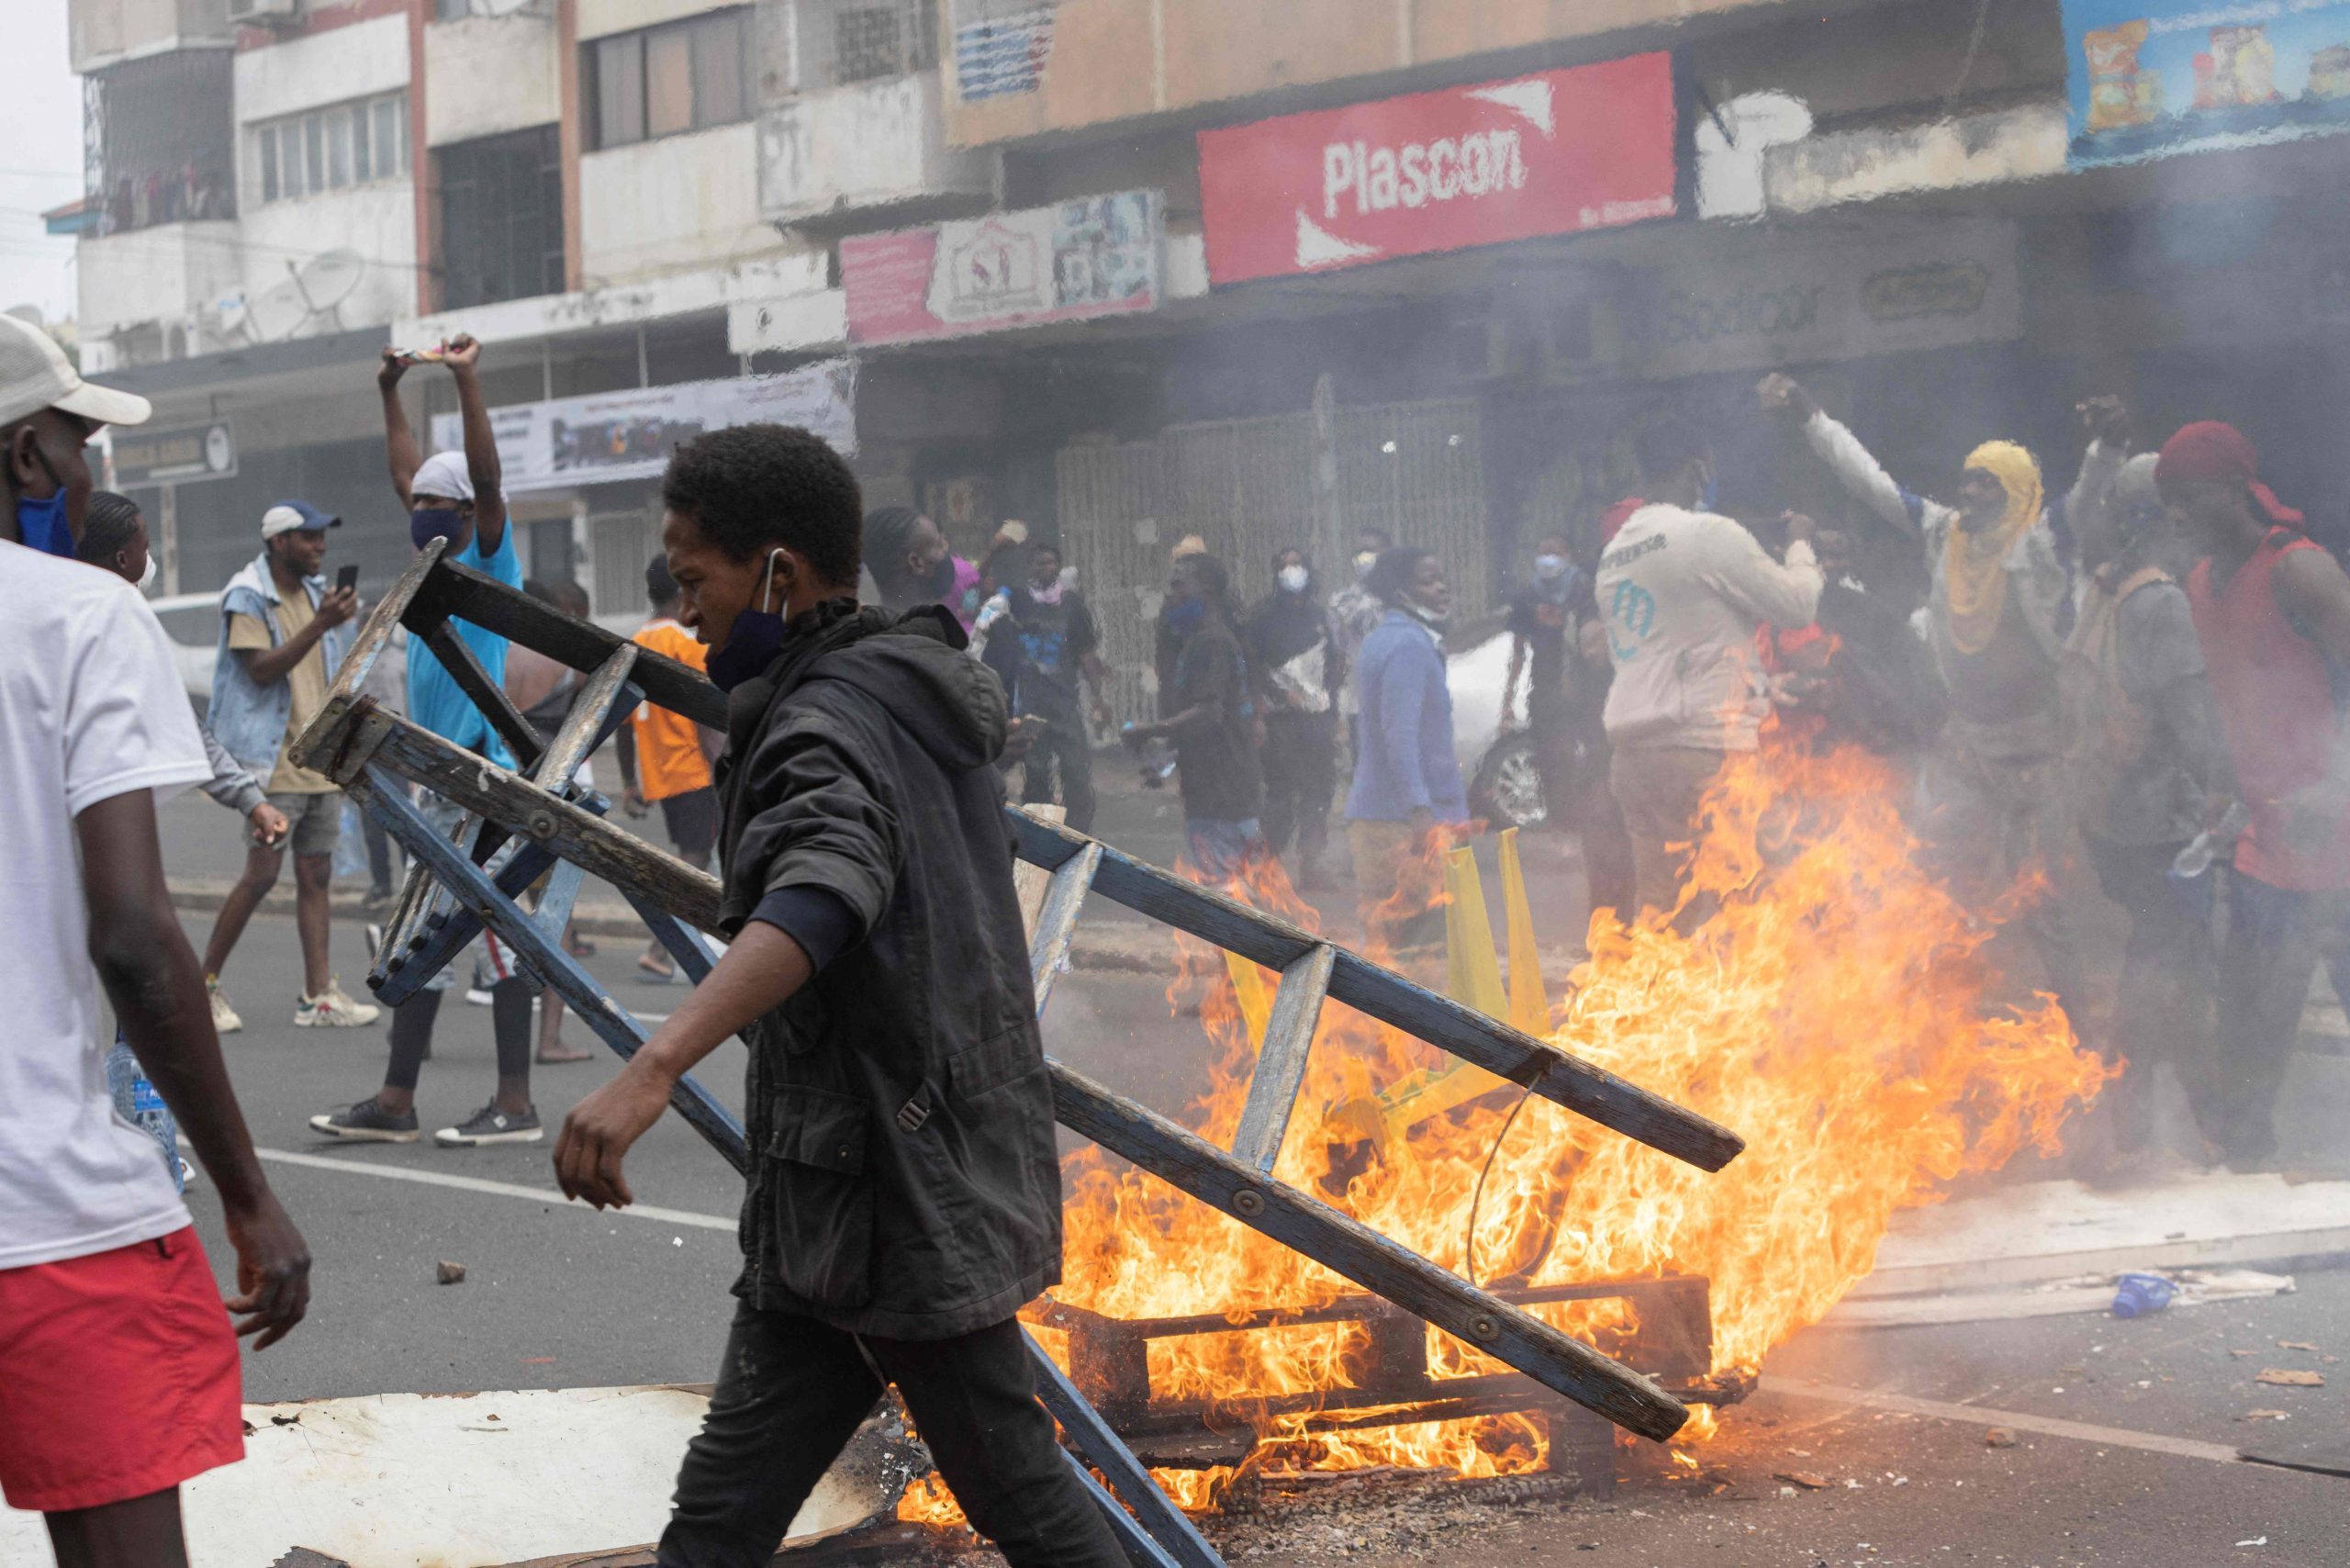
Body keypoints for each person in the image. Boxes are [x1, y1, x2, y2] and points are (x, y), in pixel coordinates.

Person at [550, 422, 1127, 1568]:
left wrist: (654, 1063)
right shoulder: (893, 687)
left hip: (897, 1198)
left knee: (1027, 1503)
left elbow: (822, 891)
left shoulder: (823, 719)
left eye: (691, 574)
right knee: (719, 1519)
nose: (681, 605)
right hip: (851, 1199)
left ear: (779, 569)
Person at [0, 311, 310, 1564]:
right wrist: (249, 1197)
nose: (91, 474)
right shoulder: (75, 616)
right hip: (45, 1223)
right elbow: (135, 939)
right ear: (27, 459)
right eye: (78, 443)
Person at [1762, 372, 2088, 1026]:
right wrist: (1812, 419)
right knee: (1931, 873)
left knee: (2045, 896)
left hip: (2036, 749)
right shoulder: (1944, 534)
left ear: (2017, 493)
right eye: (1965, 480)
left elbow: (2090, 504)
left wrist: (2105, 452)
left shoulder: (2043, 543)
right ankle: (1930, 1012)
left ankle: (2075, 1024)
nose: (1967, 493)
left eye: (1984, 484)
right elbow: (1871, 482)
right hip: (1966, 745)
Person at [312, 333, 543, 1148]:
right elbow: (409, 474)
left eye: (430, 508)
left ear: (462, 516)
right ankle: (397, 1100)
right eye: (415, 508)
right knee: (429, 939)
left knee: (497, 942)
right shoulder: (430, 568)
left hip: (483, 775)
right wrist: (389, 391)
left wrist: (468, 378)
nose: (417, 514)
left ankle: (513, 1104)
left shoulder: (487, 557)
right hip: (442, 781)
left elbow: (482, 477)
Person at [78, 493, 292, 1187]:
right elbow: (185, 727)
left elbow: (181, 730)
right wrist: (251, 797)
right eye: (145, 544)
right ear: (123, 558)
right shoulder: (109, 619)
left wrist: (250, 799)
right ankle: (135, 1148)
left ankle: (131, 1138)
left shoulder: (67, 610)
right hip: (87, 859)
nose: (152, 558)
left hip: (81, 856)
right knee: (133, 989)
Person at [2165, 420, 2350, 1171]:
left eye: (2189, 498)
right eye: (2166, 504)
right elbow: (2229, 701)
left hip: (2342, 838)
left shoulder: (2299, 571)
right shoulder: (2201, 585)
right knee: (2245, 1023)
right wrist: (2218, 784)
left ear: (2236, 491)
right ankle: (2243, 1168)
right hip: (2269, 847)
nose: (2177, 517)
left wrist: (2336, 784)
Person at [2058, 400, 2232, 1172]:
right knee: (2171, 975)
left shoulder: (2100, 589)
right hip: (2162, 826)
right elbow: (2194, 724)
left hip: (2105, 817)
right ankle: (2156, 1131)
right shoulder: (2159, 602)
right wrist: (2230, 791)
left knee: (2152, 969)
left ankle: (2146, 1128)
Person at [1596, 420, 1822, 918]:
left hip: (1634, 758)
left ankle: (1660, 996)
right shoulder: (1707, 535)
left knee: (1661, 909)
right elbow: (1797, 605)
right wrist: (1801, 544)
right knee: (1748, 900)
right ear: (1699, 469)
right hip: (1709, 753)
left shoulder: (1615, 553)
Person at [197, 498, 375, 1033]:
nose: (320, 546)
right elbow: (259, 671)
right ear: (279, 543)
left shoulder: (320, 595)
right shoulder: (248, 595)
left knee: (316, 874)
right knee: (260, 876)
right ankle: (201, 986)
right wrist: (321, 625)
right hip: (269, 763)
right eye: (309, 538)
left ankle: (318, 994)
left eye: (323, 537)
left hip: (316, 759)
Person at [1344, 547, 1468, 950]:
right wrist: (1420, 813)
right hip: (1405, 824)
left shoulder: (1386, 639)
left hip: (1381, 818)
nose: (1441, 587)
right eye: (1427, 580)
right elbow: (1400, 735)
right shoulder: (1408, 647)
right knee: (1421, 951)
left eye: (1440, 577)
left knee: (1386, 949)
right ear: (1401, 593)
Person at [503, 578, 600, 1065]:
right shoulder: (567, 660)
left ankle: (414, 1030)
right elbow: (591, 722)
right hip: (545, 795)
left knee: (473, 908)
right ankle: (549, 1039)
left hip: (493, 790)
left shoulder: (497, 653)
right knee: (553, 913)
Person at [1125, 553, 1266, 883]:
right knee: (1231, 891)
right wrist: (1165, 755)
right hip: (1223, 788)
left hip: (1221, 792)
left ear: (1207, 589)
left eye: (1178, 584)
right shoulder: (1203, 640)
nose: (1171, 594)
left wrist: (1149, 730)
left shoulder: (1210, 643)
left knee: (1224, 898)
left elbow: (1209, 713)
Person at [621, 554, 723, 980]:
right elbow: (705, 715)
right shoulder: (688, 643)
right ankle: (661, 949)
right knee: (694, 862)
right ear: (683, 590)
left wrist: (629, 782)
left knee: (696, 858)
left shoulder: (635, 642)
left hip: (660, 774)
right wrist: (723, 766)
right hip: (695, 768)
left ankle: (694, 945)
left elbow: (622, 725)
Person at [1246, 545, 1343, 888]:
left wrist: (1333, 714)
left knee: (1319, 790)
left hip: (1317, 720)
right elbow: (1251, 668)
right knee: (1280, 792)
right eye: (1285, 566)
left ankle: (1311, 864)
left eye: (1297, 565)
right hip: (1279, 720)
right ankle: (1269, 864)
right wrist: (1266, 706)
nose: (1292, 572)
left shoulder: (1323, 617)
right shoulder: (1261, 617)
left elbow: (1335, 665)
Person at [1008, 541, 1112, 834]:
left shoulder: (1073, 605)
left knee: (1076, 773)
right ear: (1031, 567)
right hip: (1030, 705)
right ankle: (1040, 840)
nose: (1046, 568)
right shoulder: (1018, 601)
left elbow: (1086, 653)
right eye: (1040, 562)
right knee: (1037, 775)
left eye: (1052, 562)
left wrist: (1099, 698)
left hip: (1065, 704)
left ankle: (1079, 837)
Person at [1502, 531, 1584, 823]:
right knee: (1548, 756)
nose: (1549, 559)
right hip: (1545, 687)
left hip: (1583, 688)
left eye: (1556, 552)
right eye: (1543, 552)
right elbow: (1518, 650)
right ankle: (1559, 822)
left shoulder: (1583, 589)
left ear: (1569, 556)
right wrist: (1508, 700)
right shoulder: (1527, 595)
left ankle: (1583, 817)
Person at [1326, 527, 1393, 760]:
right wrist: (1336, 711)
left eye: (1370, 550)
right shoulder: (1343, 603)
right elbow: (1337, 656)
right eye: (1360, 551)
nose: (1364, 557)